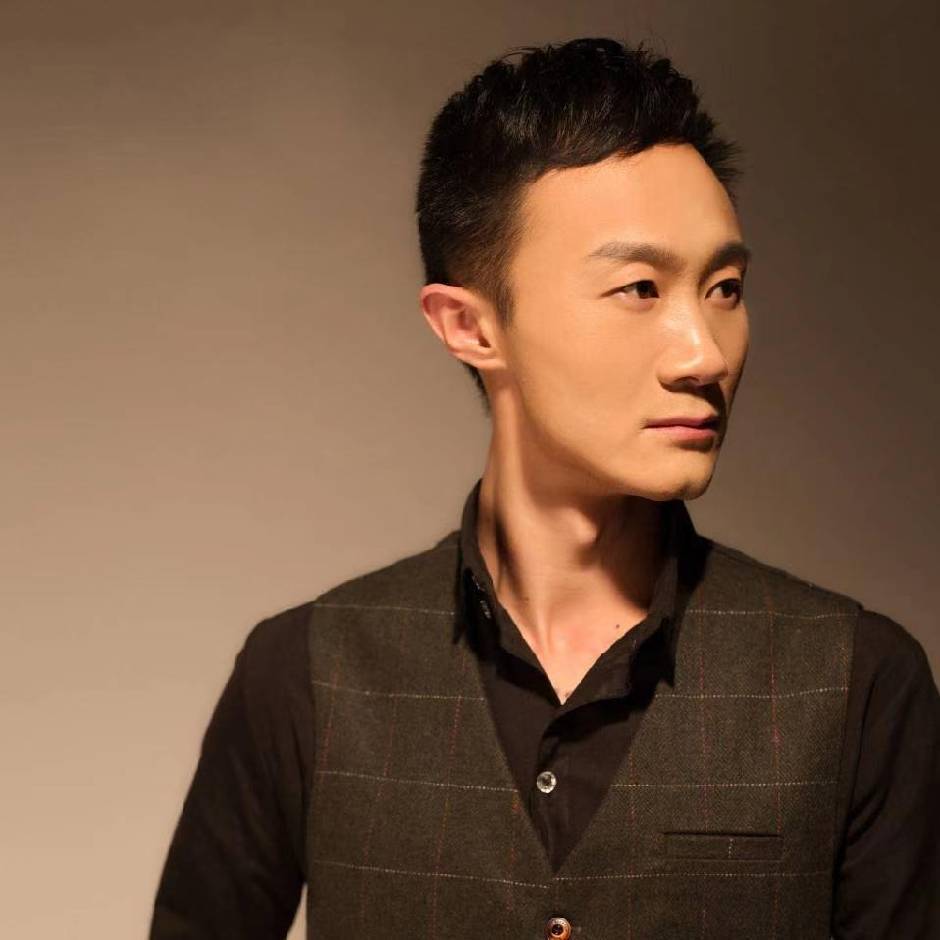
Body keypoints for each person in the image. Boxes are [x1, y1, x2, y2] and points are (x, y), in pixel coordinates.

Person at [149, 37, 939, 939]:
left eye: (724, 288)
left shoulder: (858, 681)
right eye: (639, 288)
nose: (705, 355)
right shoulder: (303, 674)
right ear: (470, 327)